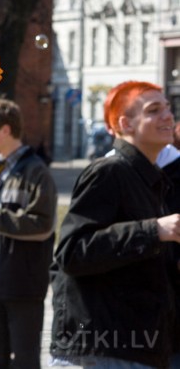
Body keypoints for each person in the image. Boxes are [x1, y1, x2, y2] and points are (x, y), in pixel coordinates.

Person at [49, 81, 180, 368]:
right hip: (104, 351)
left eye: (168, 108)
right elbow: (71, 253)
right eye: (154, 110)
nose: (168, 116)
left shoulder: (152, 180)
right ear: (125, 123)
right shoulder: (109, 172)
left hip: (140, 347)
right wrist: (155, 230)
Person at [0, 98, 57, 369]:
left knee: (25, 360)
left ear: (5, 130)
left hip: (23, 282)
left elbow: (42, 225)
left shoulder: (36, 171)